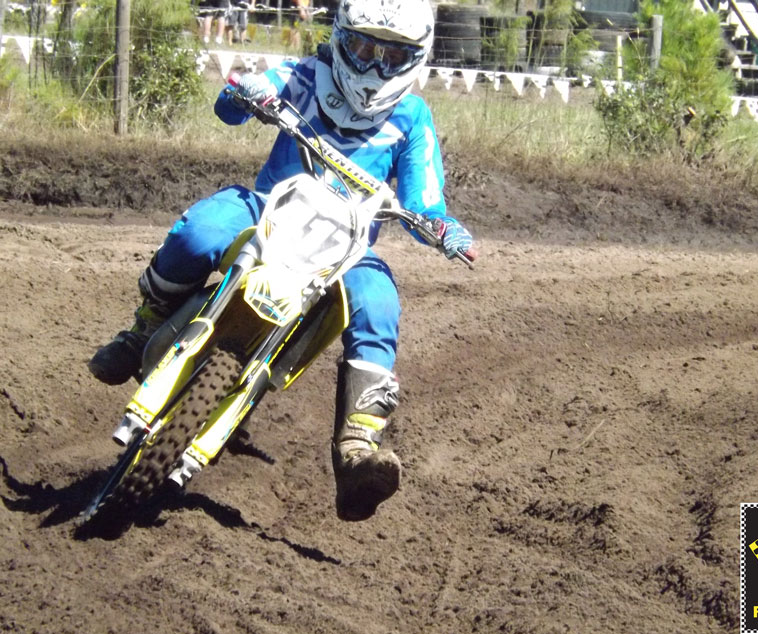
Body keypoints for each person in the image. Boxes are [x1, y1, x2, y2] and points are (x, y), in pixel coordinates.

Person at [88, 0, 475, 523]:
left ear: (415, 57)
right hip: (269, 208)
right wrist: (245, 91)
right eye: (363, 48)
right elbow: (228, 108)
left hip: (347, 246)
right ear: (341, 39)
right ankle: (143, 330)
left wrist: (442, 227)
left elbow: (423, 201)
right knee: (202, 230)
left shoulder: (413, 118)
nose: (373, 65)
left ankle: (356, 448)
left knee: (378, 301)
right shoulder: (303, 76)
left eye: (390, 56)